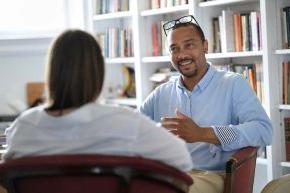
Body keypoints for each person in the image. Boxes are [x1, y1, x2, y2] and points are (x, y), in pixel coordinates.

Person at [3, 29, 193, 173]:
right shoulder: (125, 123)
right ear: (97, 73)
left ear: (52, 73)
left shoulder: (23, 127)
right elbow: (182, 159)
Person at [139, 15, 273, 193]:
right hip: (168, 173)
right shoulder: (161, 93)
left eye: (189, 45)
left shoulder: (233, 84)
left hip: (210, 175)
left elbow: (264, 131)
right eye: (174, 49)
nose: (182, 54)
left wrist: (204, 133)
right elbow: (133, 128)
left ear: (205, 45)